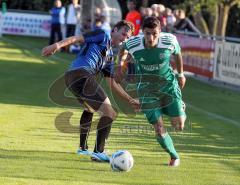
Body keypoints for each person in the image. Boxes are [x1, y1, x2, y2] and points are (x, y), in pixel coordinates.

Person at [42, 21, 139, 162]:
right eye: (123, 34)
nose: (125, 38)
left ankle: (82, 149)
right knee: (110, 113)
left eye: (128, 37)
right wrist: (57, 45)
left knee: (90, 109)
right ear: (115, 29)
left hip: (72, 78)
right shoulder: (102, 35)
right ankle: (99, 152)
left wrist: (130, 99)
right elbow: (77, 38)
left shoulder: (110, 56)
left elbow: (112, 84)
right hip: (81, 74)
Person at [116, 16, 186, 167]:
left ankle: (177, 105)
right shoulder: (134, 43)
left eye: (154, 33)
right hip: (147, 90)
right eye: (147, 33)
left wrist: (180, 74)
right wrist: (120, 65)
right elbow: (122, 49)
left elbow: (178, 53)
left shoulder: (169, 41)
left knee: (179, 126)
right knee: (159, 128)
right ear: (142, 32)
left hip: (168, 86)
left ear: (160, 31)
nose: (151, 37)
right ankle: (174, 156)